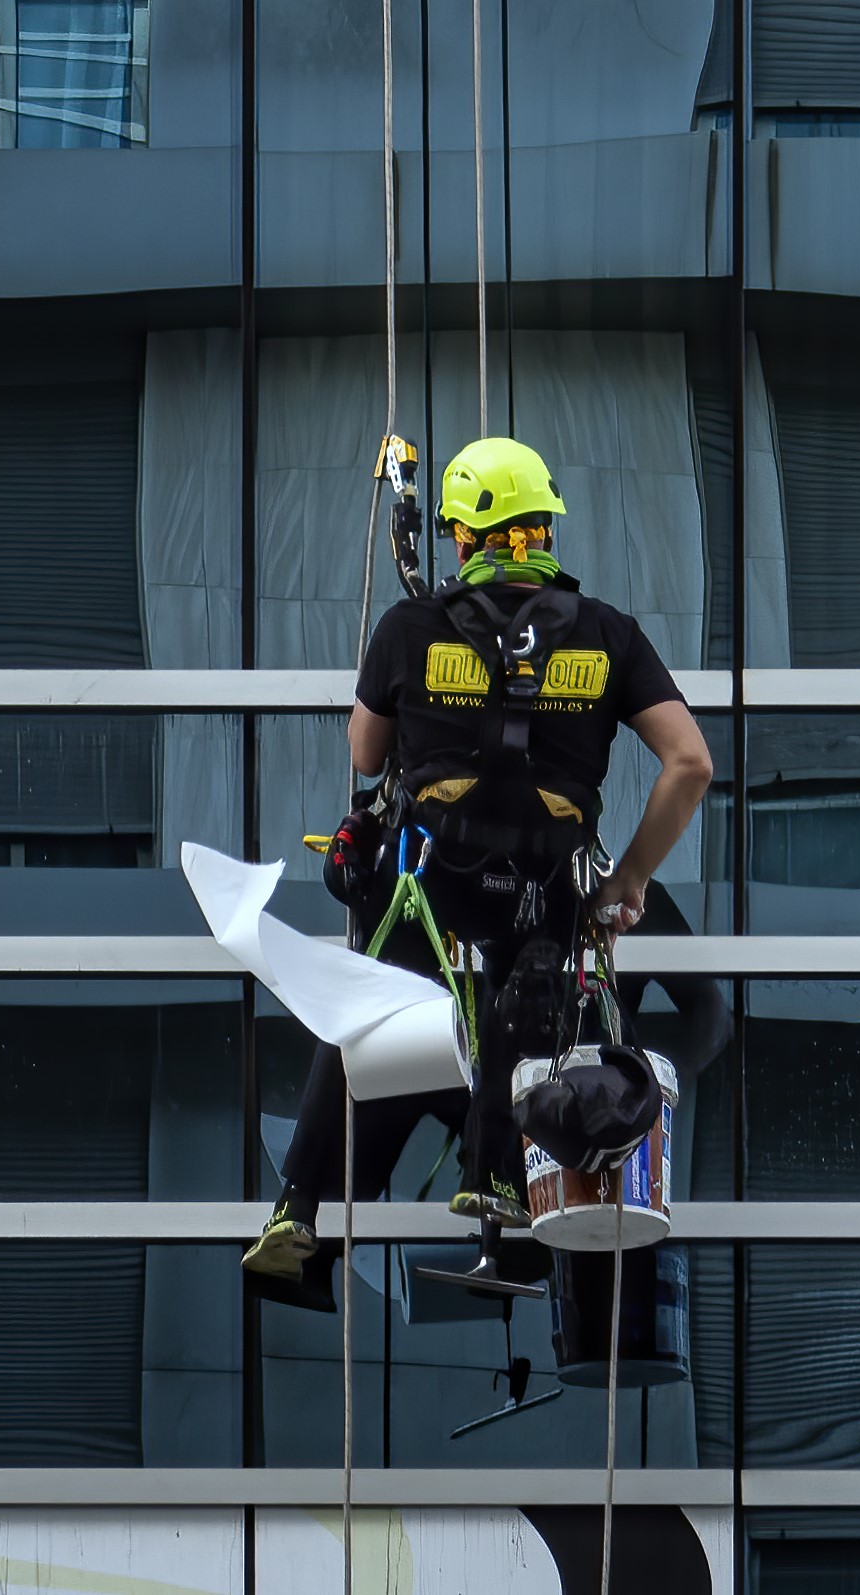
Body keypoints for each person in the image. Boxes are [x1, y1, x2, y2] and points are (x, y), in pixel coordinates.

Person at [244, 437, 714, 1286]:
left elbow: (363, 754)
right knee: (532, 998)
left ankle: (297, 1205)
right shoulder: (610, 635)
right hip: (543, 892)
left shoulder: (409, 628)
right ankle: (495, 1177)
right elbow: (690, 762)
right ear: (543, 526)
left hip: (434, 887)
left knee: (361, 1013)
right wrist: (631, 877)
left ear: (463, 538)